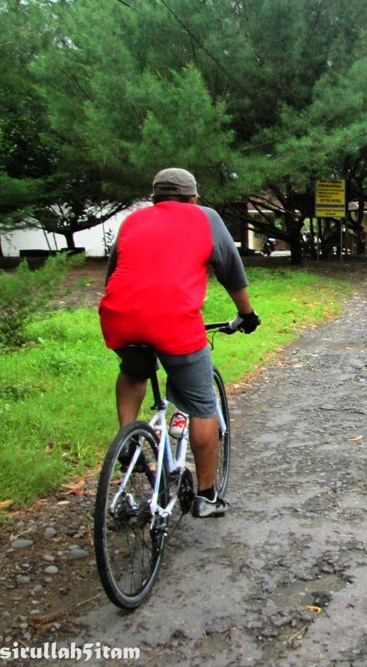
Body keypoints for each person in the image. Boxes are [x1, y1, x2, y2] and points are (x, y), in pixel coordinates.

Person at [99, 168, 261, 517]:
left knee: (134, 370)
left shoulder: (132, 221)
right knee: (203, 405)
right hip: (174, 323)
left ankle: (128, 439)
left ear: (154, 198)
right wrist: (246, 314)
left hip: (119, 315)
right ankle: (206, 496)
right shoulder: (206, 218)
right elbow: (230, 271)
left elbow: (113, 274)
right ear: (194, 198)